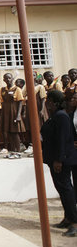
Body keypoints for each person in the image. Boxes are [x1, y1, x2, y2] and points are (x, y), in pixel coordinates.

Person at [41, 90, 77, 237]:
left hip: (60, 160)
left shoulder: (61, 116)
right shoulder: (55, 116)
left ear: (54, 102)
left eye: (48, 100)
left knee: (66, 189)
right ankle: (68, 218)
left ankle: (75, 222)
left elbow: (62, 140)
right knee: (62, 189)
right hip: (54, 158)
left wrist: (59, 160)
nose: (46, 102)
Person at [0, 73, 25, 159]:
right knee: (7, 132)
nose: (8, 80)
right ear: (4, 80)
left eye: (9, 78)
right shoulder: (2, 90)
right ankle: (12, 151)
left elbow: (20, 102)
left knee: (14, 132)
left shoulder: (17, 89)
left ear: (12, 78)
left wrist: (18, 115)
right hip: (5, 111)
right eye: (6, 78)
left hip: (14, 111)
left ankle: (18, 151)